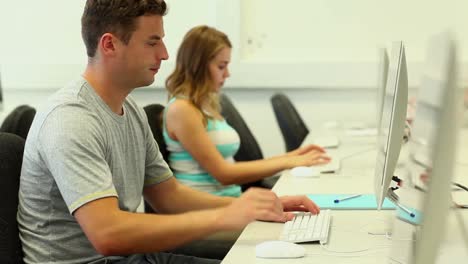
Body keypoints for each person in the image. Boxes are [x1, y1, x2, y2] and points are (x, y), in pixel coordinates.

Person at [17, 1, 322, 264]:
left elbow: (170, 198)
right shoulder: (70, 119)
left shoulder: (130, 110)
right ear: (109, 45)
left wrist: (259, 205)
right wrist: (225, 216)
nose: (164, 54)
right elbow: (107, 234)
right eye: (152, 42)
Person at [164, 25, 331, 197]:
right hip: (208, 210)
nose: (227, 74)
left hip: (230, 202)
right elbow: (224, 174)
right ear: (197, 65)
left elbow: (229, 167)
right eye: (221, 66)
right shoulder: (182, 110)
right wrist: (288, 162)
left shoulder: (205, 105)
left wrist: (293, 156)